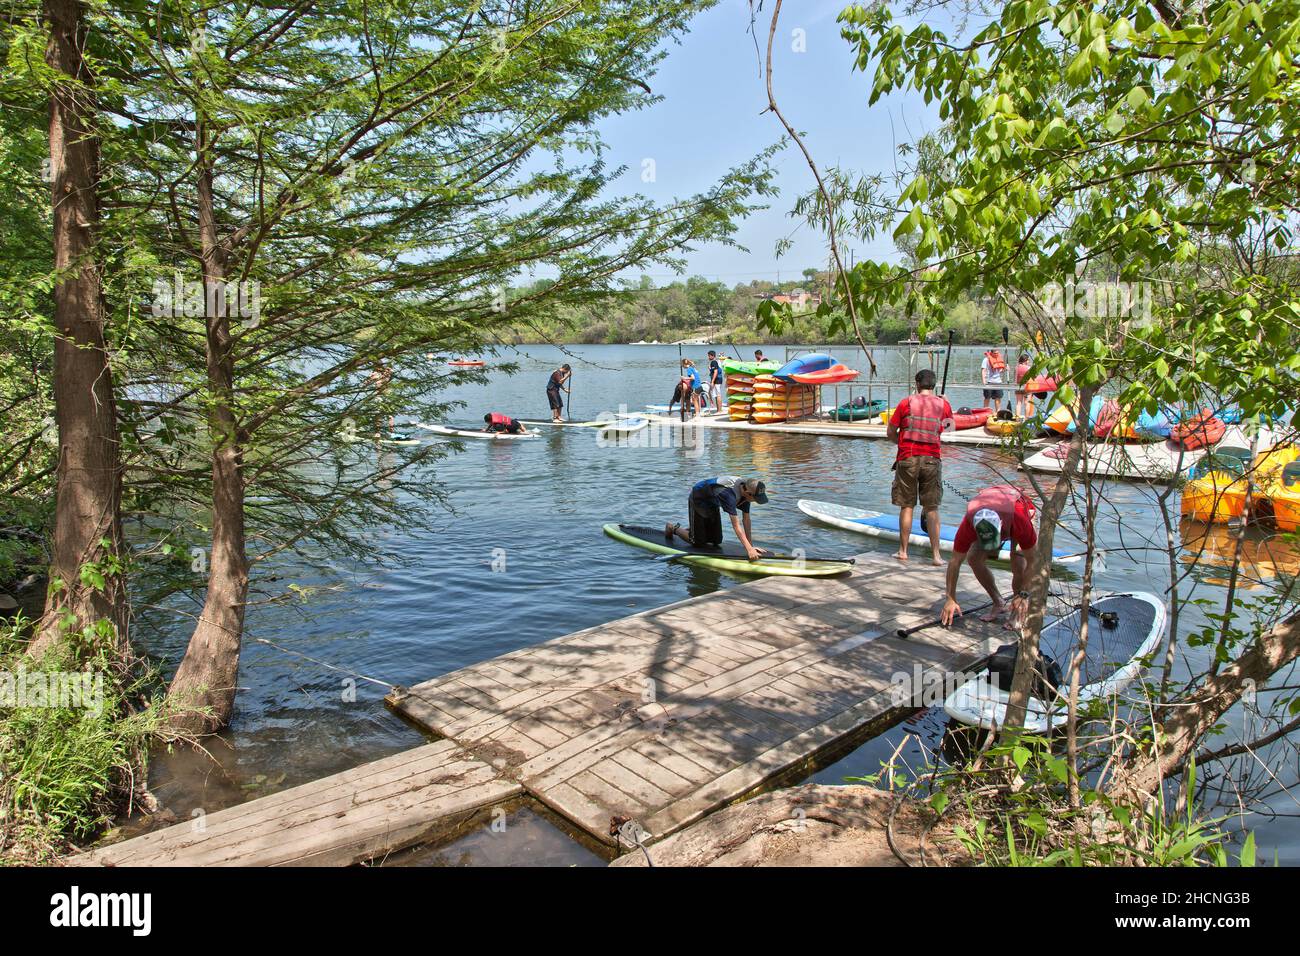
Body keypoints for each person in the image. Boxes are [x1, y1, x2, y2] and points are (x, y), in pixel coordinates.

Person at [939, 484, 1040, 626]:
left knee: (1018, 563)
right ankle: (999, 602)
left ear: (1000, 526)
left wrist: (1024, 595)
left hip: (1021, 511)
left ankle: (1017, 610)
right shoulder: (968, 525)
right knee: (973, 558)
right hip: (993, 511)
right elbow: (955, 562)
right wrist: (950, 598)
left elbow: (1034, 560)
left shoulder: (1020, 521)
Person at [887, 368, 954, 565]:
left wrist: (899, 443)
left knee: (906, 506)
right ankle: (936, 556)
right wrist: (947, 403)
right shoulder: (943, 404)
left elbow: (891, 430)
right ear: (933, 384)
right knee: (931, 508)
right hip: (932, 459)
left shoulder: (906, 402)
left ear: (917, 383)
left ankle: (903, 551)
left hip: (907, 457)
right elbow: (950, 428)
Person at [666, 476, 771, 561]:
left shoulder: (747, 491)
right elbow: (736, 525)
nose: (756, 501)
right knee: (697, 542)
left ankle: (696, 528)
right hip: (699, 499)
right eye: (756, 499)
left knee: (716, 540)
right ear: (748, 493)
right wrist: (748, 549)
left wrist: (751, 546)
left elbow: (746, 520)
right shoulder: (728, 494)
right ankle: (673, 528)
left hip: (713, 502)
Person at [1014, 352, 1032, 418]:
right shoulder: (1029, 368)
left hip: (1018, 387)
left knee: (1018, 403)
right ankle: (1026, 418)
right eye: (1028, 360)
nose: (1029, 361)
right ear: (1025, 360)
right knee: (1027, 403)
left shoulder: (1016, 367)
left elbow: (1015, 378)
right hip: (1027, 387)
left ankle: (1017, 418)